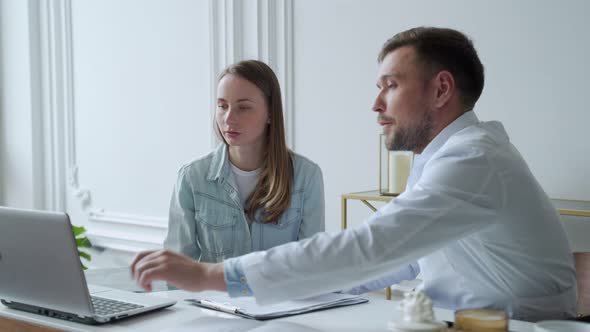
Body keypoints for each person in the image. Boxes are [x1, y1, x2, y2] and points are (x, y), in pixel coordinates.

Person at [131, 27, 577, 321]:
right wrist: (284, 294)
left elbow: (370, 248)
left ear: (441, 88)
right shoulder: (447, 159)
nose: (376, 103)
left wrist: (213, 275)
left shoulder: (474, 162)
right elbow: (393, 259)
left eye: (390, 85)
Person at [163, 59, 325, 263]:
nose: (228, 119)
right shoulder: (192, 177)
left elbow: (312, 263)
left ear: (270, 113)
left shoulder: (306, 176)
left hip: (281, 295)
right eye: (222, 106)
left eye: (243, 108)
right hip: (210, 295)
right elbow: (177, 266)